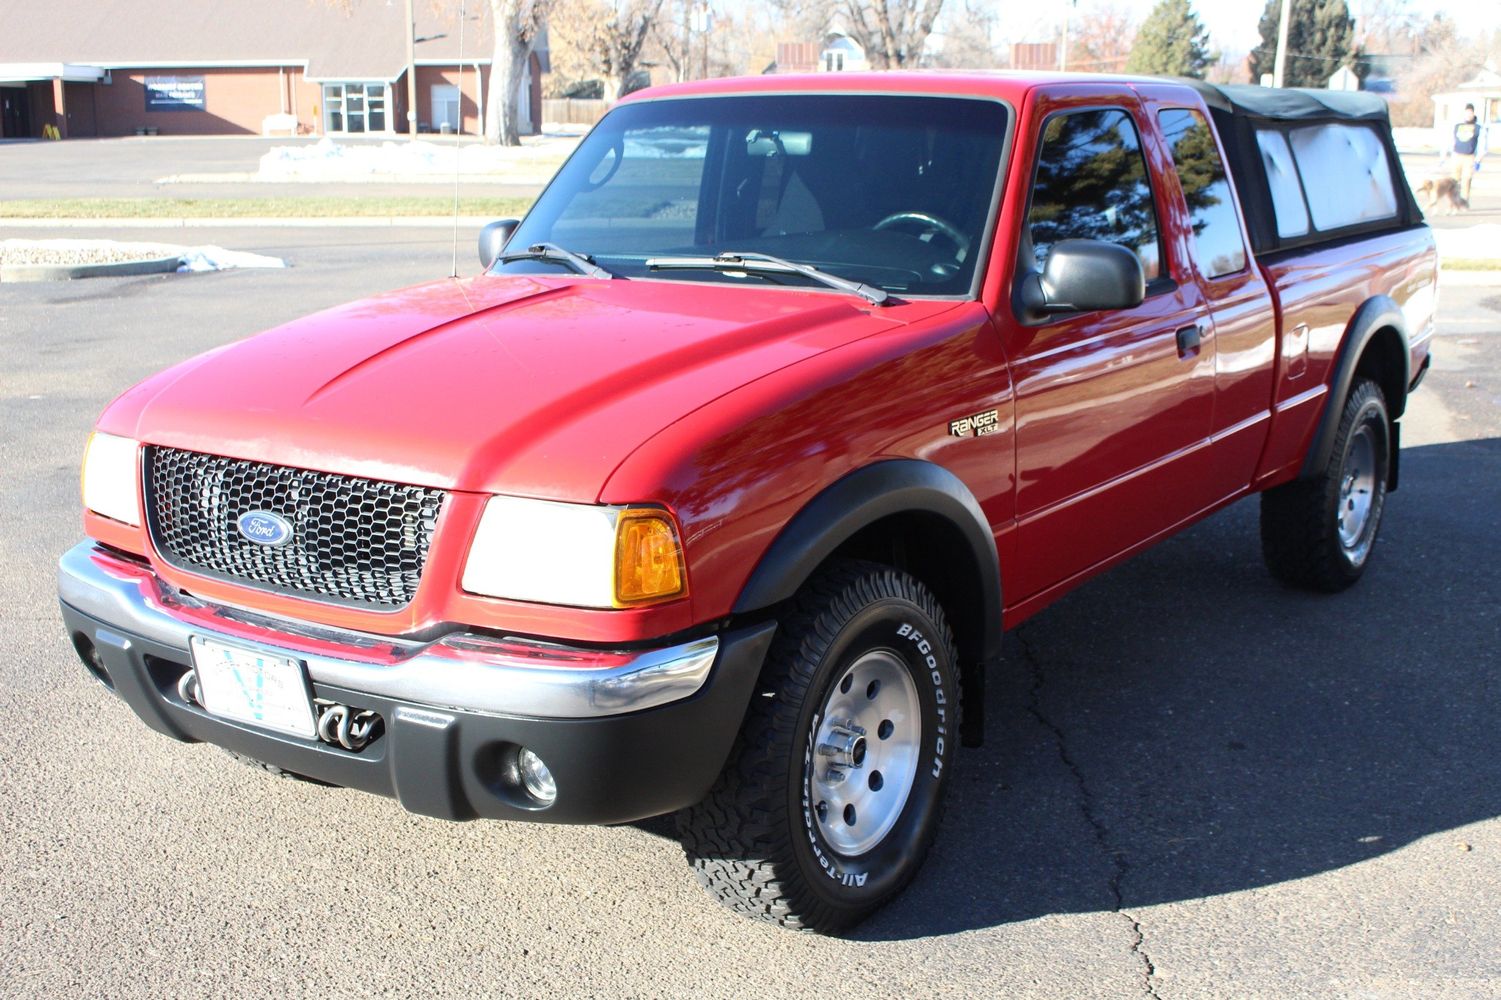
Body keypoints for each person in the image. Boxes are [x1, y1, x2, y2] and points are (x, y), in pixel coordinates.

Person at [1449, 103, 1486, 204]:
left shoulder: (1478, 127)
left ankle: (1464, 201)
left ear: (1473, 113)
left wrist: (1478, 159)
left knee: (1466, 179)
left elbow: (1483, 144)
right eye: (1467, 113)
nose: (1469, 115)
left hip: (1469, 157)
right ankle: (1453, 201)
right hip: (1457, 155)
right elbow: (1452, 140)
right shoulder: (1458, 125)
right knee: (1454, 180)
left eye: (1471, 113)